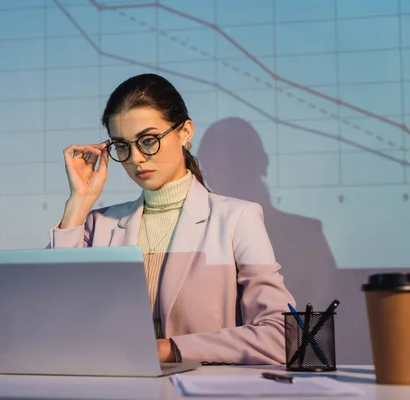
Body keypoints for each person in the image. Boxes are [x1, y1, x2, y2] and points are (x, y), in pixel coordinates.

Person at [48, 73, 295, 365]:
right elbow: (53, 318)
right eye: (122, 146)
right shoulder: (97, 225)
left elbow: (283, 336)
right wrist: (80, 200)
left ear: (185, 132)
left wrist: (168, 349)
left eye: (148, 140)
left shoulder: (236, 218)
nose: (136, 158)